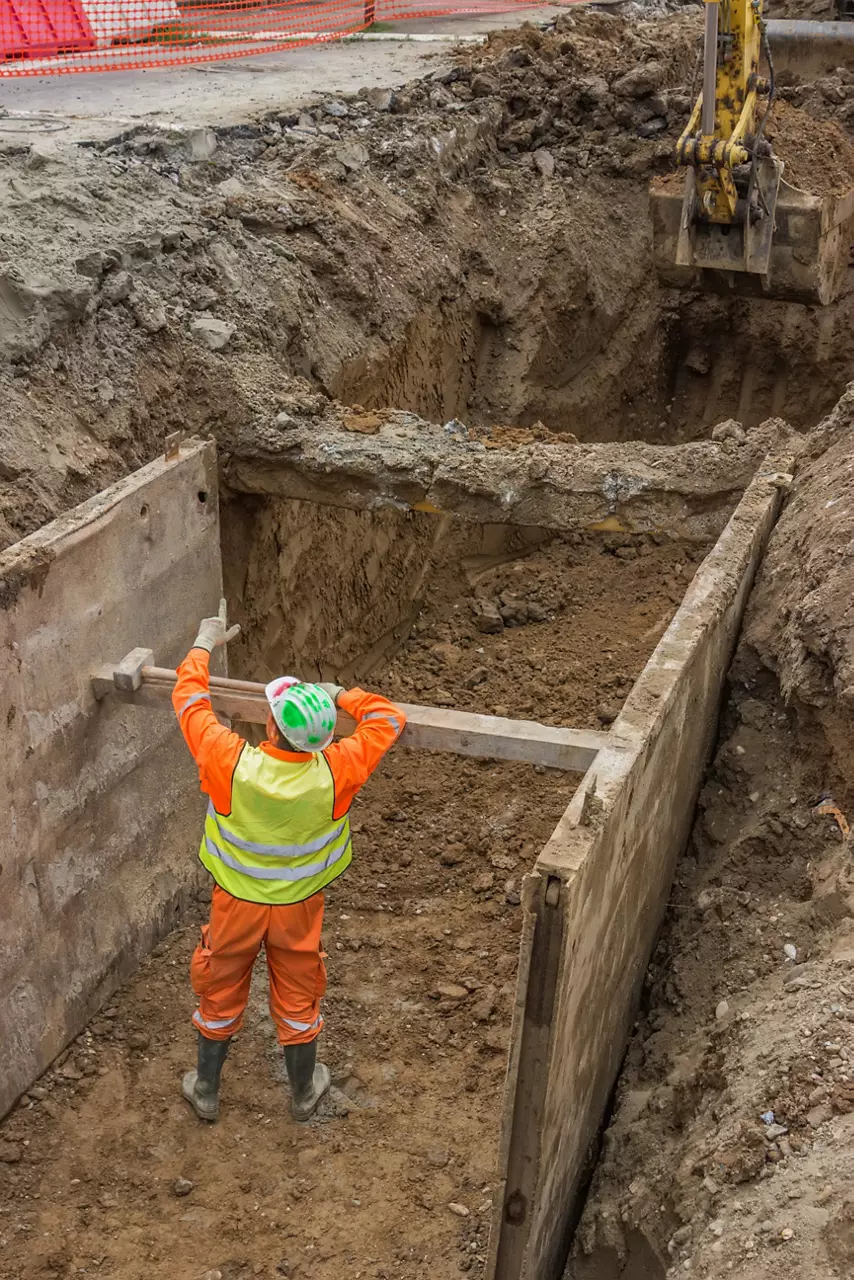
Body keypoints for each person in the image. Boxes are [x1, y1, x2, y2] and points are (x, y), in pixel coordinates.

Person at [171, 599, 406, 1123]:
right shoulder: (339, 768)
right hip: (300, 907)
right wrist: (343, 693)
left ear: (272, 729)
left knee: (221, 981)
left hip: (236, 903)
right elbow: (388, 717)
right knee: (299, 989)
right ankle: (303, 1093)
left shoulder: (231, 761)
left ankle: (206, 1088)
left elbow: (189, 699)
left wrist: (204, 642)